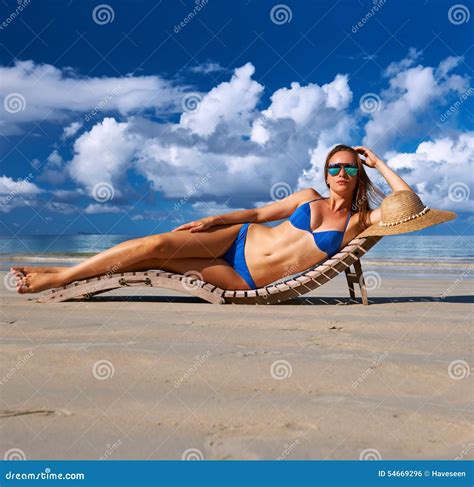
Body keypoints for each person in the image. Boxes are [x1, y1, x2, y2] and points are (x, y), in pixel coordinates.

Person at [12, 145, 409, 294]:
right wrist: (214, 220)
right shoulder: (308, 197)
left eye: (352, 169)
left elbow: (410, 206)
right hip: (236, 239)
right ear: (325, 175)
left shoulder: (360, 222)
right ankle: (61, 275)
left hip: (244, 279)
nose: (343, 174)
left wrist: (380, 162)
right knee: (153, 247)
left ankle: (58, 273)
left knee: (153, 263)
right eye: (336, 168)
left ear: (361, 176)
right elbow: (256, 214)